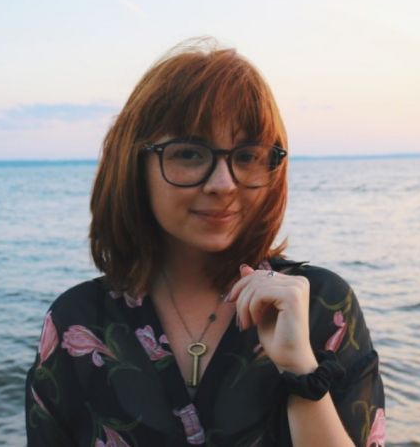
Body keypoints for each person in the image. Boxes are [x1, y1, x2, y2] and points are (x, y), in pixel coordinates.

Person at [25, 38, 386, 446]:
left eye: (248, 156)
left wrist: (302, 369)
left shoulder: (322, 307)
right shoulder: (78, 322)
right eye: (190, 154)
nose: (223, 184)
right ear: (134, 164)